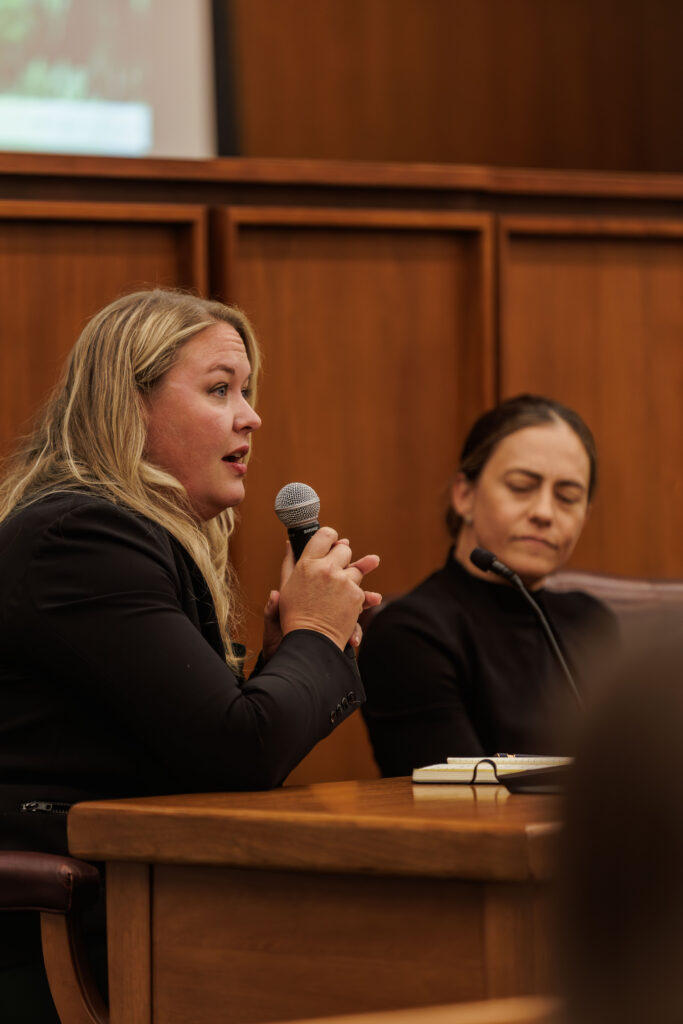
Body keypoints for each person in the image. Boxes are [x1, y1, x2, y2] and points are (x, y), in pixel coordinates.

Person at [0, 288, 380, 1019]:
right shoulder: (82, 537)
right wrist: (315, 639)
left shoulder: (112, 535)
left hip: (131, 906)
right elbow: (238, 751)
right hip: (49, 935)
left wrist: (286, 660)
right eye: (219, 390)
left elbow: (202, 751)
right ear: (128, 404)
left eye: (247, 391)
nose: (251, 415)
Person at [359, 394, 618, 776]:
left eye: (567, 497)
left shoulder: (593, 622)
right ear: (464, 494)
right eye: (520, 486)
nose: (545, 513)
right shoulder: (409, 634)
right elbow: (467, 801)